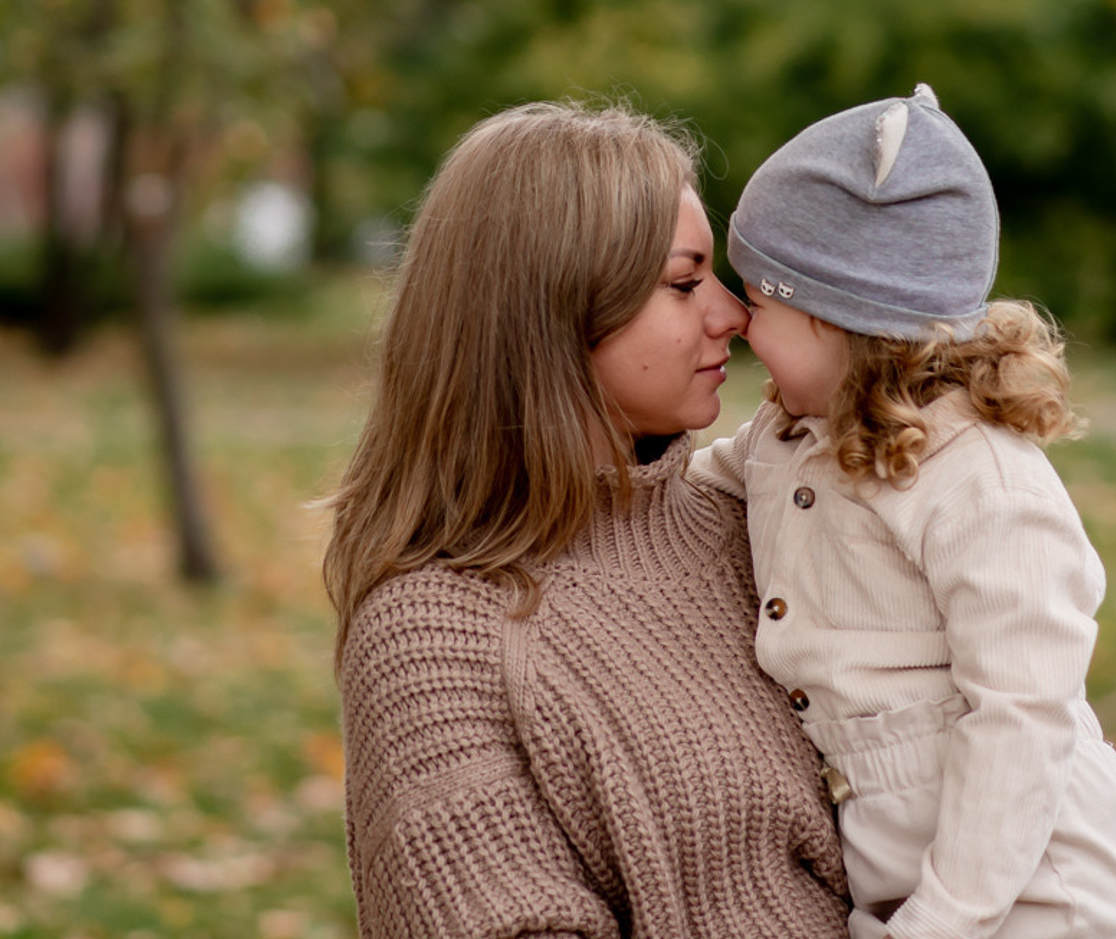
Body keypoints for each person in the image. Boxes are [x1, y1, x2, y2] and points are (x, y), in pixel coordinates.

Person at [323, 101, 852, 939]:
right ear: (550, 317)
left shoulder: (762, 521)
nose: (734, 315)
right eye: (684, 284)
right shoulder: (432, 636)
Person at [693, 84, 1116, 939]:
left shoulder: (982, 483)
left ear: (831, 321)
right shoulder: (789, 432)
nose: (732, 321)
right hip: (901, 874)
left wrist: (945, 920)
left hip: (1040, 893)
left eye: (756, 305)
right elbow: (691, 490)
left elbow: (1023, 717)